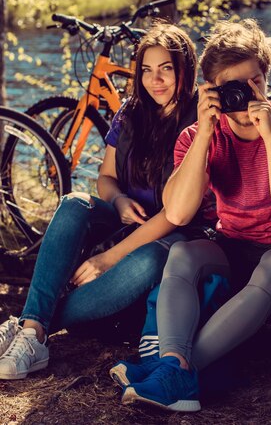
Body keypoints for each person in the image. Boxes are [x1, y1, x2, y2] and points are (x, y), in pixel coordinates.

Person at [115, 19, 271, 412]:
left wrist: (269, 136)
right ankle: (174, 365)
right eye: (232, 88)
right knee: (183, 254)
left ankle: (174, 372)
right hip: (234, 248)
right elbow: (177, 211)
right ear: (210, 89)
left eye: (254, 84)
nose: (246, 97)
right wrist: (204, 134)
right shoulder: (197, 136)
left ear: (266, 79)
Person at [0, 23, 200, 380]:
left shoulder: (200, 119)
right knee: (76, 201)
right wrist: (120, 200)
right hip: (127, 220)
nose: (156, 80)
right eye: (147, 70)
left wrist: (108, 258)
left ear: (185, 69)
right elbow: (105, 178)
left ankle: (31, 325)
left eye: (166, 69)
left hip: (175, 232)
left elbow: (176, 214)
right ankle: (33, 331)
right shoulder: (131, 112)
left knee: (152, 258)